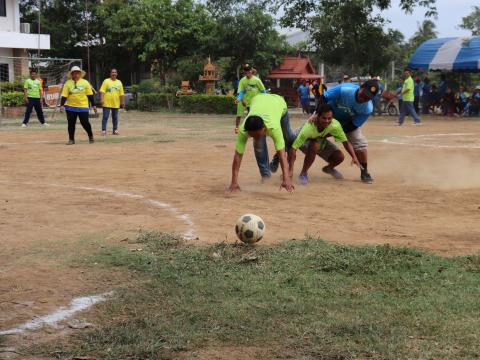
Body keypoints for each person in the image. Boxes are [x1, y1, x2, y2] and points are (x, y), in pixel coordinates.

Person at [271, 80, 378, 183]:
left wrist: (332, 131)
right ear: (361, 87)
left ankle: (364, 171)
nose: (364, 98)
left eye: (368, 98)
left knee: (360, 142)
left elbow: (353, 125)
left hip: (344, 123)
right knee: (295, 137)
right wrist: (317, 114)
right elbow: (324, 97)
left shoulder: (367, 108)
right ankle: (278, 157)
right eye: (363, 94)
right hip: (326, 114)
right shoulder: (345, 90)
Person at [228, 93, 295, 194]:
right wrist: (234, 182)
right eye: (252, 135)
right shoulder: (243, 130)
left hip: (278, 103)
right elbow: (238, 155)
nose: (255, 137)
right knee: (258, 144)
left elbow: (282, 155)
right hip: (258, 99)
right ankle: (265, 175)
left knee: (289, 139)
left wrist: (286, 178)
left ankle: (288, 171)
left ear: (264, 128)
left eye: (258, 134)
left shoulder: (274, 127)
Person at [288, 104, 360, 185]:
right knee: (314, 145)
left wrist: (354, 157)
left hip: (319, 139)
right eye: (324, 118)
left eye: (329, 118)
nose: (327, 121)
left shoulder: (335, 125)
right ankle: (303, 174)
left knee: (339, 157)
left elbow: (345, 142)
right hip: (304, 140)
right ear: (317, 116)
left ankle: (329, 168)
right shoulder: (308, 128)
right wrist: (290, 170)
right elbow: (293, 149)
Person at [235, 64, 269, 178]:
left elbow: (264, 92)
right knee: (251, 125)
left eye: (248, 70)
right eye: (245, 71)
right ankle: (255, 136)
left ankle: (262, 133)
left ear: (251, 71)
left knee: (260, 124)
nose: (247, 72)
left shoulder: (257, 80)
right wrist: (238, 99)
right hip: (249, 106)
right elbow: (241, 93)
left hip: (258, 105)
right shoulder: (242, 81)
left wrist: (266, 101)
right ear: (244, 72)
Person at [60, 66, 97, 145]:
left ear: (80, 74)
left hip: (83, 106)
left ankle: (90, 136)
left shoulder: (85, 82)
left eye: (78, 73)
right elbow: (64, 95)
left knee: (85, 122)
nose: (76, 74)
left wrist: (93, 105)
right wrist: (62, 105)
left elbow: (90, 95)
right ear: (72, 74)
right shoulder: (68, 83)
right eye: (74, 73)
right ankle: (71, 139)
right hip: (70, 107)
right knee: (71, 123)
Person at [99, 68, 125, 135]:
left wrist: (122, 102)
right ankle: (103, 130)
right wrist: (101, 99)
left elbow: (121, 93)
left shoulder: (119, 82)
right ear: (110, 74)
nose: (114, 73)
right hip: (107, 103)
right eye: (112, 72)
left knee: (115, 117)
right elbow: (102, 91)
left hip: (116, 103)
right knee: (105, 117)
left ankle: (115, 130)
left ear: (117, 74)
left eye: (115, 72)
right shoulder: (106, 81)